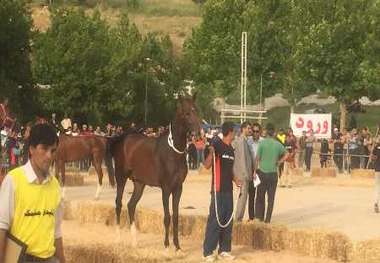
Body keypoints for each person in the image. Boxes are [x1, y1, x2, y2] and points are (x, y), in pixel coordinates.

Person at [0, 123, 65, 263]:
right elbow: (1, 228)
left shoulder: (55, 185)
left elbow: (57, 231)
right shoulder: (13, 180)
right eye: (44, 149)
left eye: (53, 151)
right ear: (31, 149)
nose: (49, 156)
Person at [203, 122, 241, 262]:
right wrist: (211, 152)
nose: (236, 134)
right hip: (217, 190)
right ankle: (208, 251)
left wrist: (236, 180)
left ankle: (224, 250)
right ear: (230, 132)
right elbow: (207, 165)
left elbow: (229, 170)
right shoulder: (217, 145)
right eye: (235, 132)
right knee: (215, 220)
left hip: (228, 190)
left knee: (227, 220)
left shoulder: (231, 149)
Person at [254, 123, 288, 223]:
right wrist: (279, 162)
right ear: (274, 133)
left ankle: (259, 218)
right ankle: (267, 220)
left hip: (262, 173)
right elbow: (287, 154)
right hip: (273, 173)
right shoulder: (278, 144)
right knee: (271, 198)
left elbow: (257, 159)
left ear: (265, 132)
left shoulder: (262, 143)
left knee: (260, 197)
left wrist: (255, 172)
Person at [233, 122, 254, 222]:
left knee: (243, 198)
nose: (250, 130)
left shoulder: (245, 141)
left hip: (244, 173)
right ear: (243, 129)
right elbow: (242, 159)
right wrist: (246, 174)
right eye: (248, 128)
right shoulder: (241, 141)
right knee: (242, 198)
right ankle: (238, 219)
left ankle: (238, 218)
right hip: (243, 174)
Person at [247, 122, 262, 220]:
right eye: (254, 131)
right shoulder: (248, 141)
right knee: (251, 195)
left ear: (260, 132)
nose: (255, 133)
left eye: (257, 131)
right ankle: (251, 217)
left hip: (260, 171)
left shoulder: (263, 142)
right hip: (251, 170)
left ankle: (259, 216)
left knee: (260, 195)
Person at [371, 136, 380, 213]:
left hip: (377, 169)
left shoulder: (376, 147)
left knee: (377, 187)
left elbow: (372, 157)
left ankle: (376, 203)